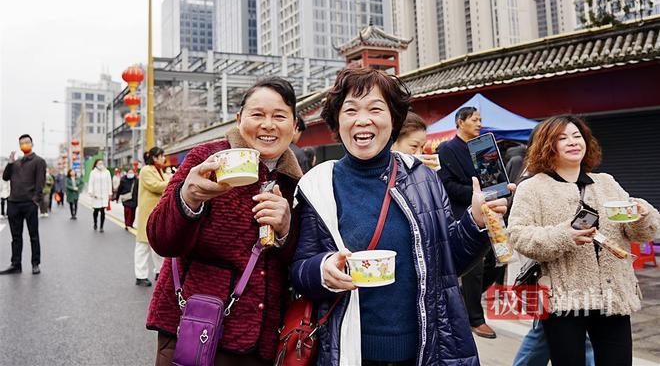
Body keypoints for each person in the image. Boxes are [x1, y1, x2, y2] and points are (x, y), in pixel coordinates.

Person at [291, 67, 512, 365]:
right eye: (351, 110)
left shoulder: (422, 178)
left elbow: (448, 263)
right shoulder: (317, 186)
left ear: (394, 118)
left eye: (375, 109)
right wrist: (323, 269)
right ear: (337, 120)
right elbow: (300, 270)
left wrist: (475, 221)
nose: (363, 119)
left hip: (425, 348)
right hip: (351, 350)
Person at [145, 77, 303, 365]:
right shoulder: (207, 159)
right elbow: (160, 239)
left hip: (262, 337)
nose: (268, 124)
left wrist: (285, 230)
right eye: (257, 114)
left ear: (294, 126)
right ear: (239, 118)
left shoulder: (297, 181)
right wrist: (188, 198)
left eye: (279, 116)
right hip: (196, 328)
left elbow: (299, 258)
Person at [508, 115, 659, 366]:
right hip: (563, 299)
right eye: (562, 138)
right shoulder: (532, 188)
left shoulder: (606, 182)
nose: (573, 142)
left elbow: (639, 234)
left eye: (577, 136)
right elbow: (520, 236)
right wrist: (564, 235)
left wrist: (641, 215)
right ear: (547, 144)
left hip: (612, 295)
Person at [436, 106, 502, 338]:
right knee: (473, 268)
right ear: (460, 121)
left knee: (498, 260)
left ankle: (466, 300)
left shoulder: (484, 146)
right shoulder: (446, 149)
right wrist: (475, 195)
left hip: (491, 209)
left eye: (480, 119)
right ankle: (475, 318)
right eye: (474, 119)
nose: (479, 123)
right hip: (461, 211)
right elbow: (447, 184)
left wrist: (497, 185)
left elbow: (494, 179)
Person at [1, 134, 47, 275]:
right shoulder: (16, 163)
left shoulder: (39, 161)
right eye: (21, 143)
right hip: (14, 203)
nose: (24, 145)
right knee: (16, 237)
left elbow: (40, 183)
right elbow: (5, 177)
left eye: (27, 142)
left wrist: (35, 200)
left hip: (29, 203)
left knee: (33, 235)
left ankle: (35, 263)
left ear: (32, 144)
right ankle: (16, 264)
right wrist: (9, 162)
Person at [134, 147, 169, 287]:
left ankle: (160, 271)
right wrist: (173, 180)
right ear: (154, 157)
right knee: (143, 245)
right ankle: (140, 275)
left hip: (158, 212)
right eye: (162, 156)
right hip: (147, 213)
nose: (164, 158)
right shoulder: (146, 170)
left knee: (157, 244)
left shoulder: (160, 170)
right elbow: (155, 186)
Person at [87, 159, 112, 232]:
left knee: (103, 211)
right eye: (99, 163)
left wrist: (110, 193)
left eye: (102, 163)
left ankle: (101, 226)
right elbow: (91, 183)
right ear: (96, 164)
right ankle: (95, 223)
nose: (101, 164)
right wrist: (91, 192)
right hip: (96, 195)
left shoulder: (107, 172)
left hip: (104, 195)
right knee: (96, 210)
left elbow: (109, 183)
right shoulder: (93, 172)